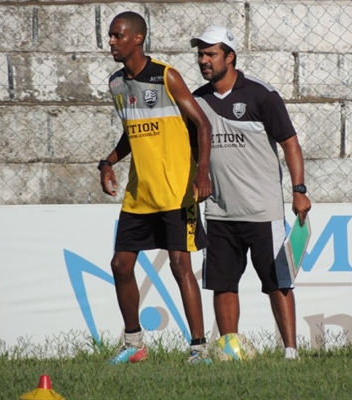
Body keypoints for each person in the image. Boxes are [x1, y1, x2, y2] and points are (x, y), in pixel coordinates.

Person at [189, 26, 312, 360]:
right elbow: (190, 153)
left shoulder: (261, 94)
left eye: (211, 53)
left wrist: (299, 190)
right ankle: (230, 347)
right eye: (200, 54)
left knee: (278, 282)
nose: (204, 60)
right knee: (222, 283)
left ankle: (290, 351)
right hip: (219, 212)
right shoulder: (196, 100)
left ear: (230, 57)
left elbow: (290, 143)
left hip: (262, 210)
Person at [99, 11, 213, 365]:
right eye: (110, 36)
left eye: (117, 35)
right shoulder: (116, 83)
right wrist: (108, 161)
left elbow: (203, 125)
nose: (111, 42)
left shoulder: (167, 77)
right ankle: (133, 342)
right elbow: (132, 131)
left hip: (177, 190)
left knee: (181, 266)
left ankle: (199, 348)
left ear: (137, 38)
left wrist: (203, 172)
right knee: (120, 265)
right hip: (140, 195)